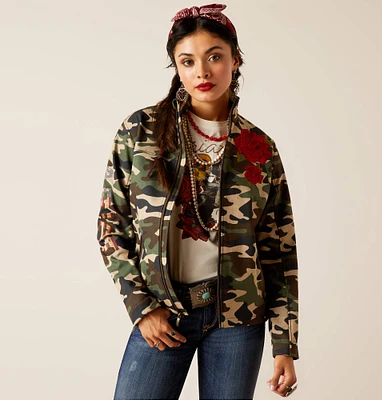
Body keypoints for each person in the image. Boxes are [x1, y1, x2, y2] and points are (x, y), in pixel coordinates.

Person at [97, 4, 299, 399]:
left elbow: (279, 251)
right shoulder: (141, 132)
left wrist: (284, 343)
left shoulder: (259, 148)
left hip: (238, 320)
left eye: (214, 57)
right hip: (164, 312)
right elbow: (111, 225)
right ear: (177, 67)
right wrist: (141, 307)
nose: (202, 72)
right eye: (188, 61)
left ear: (235, 60)